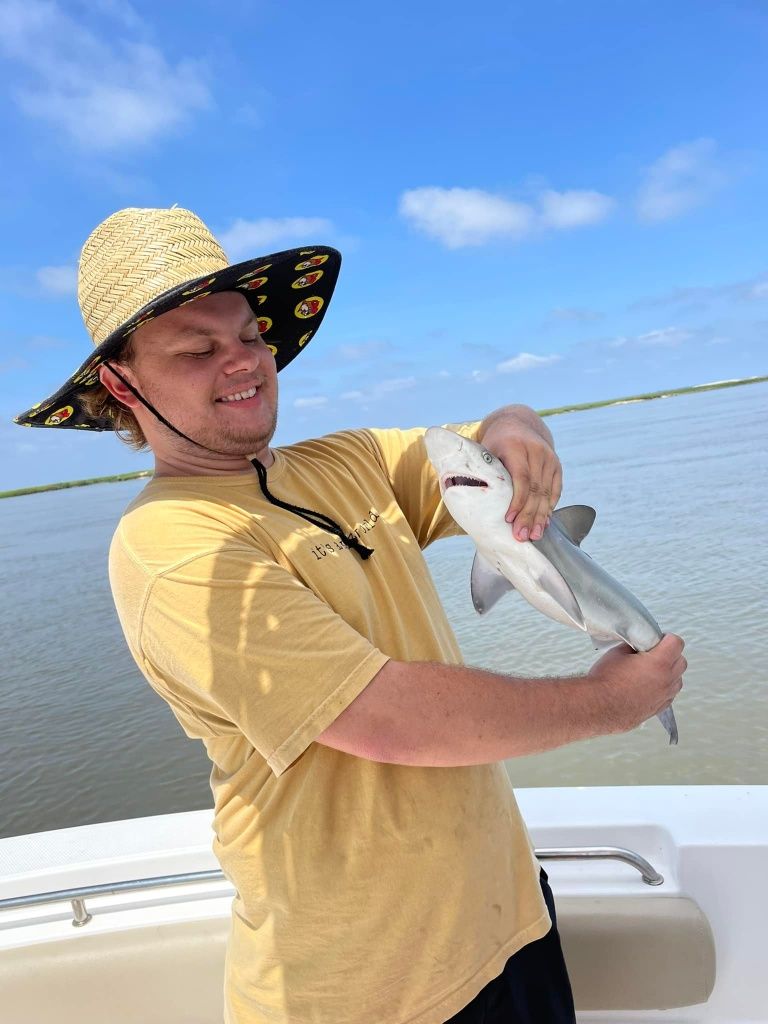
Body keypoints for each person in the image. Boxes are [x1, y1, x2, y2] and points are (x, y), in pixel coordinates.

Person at [14, 206, 686, 1024]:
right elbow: (383, 718)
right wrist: (611, 702)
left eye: (250, 337)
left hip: (510, 919)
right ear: (122, 384)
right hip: (370, 988)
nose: (241, 363)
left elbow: (479, 440)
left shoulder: (350, 461)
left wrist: (519, 430)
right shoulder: (170, 545)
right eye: (196, 349)